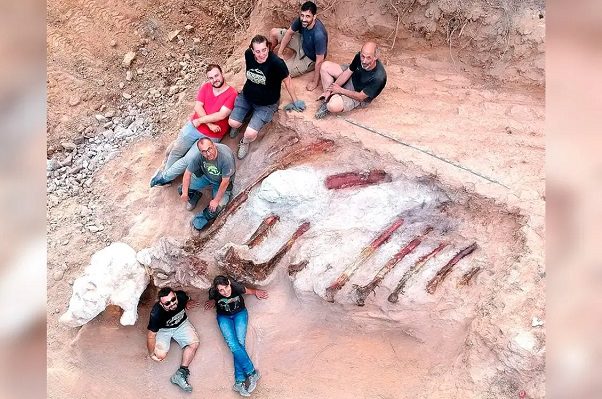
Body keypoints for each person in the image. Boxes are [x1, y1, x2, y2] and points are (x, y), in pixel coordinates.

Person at [150, 64, 238, 187]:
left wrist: (202, 121)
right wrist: (208, 123)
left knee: (188, 159)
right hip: (195, 126)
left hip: (211, 135)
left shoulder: (231, 93)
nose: (215, 80)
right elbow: (197, 106)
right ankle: (168, 177)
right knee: (176, 151)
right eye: (211, 77)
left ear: (222, 74)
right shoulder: (206, 87)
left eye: (216, 75)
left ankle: (164, 178)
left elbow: (221, 115)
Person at [228, 34, 305, 160]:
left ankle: (245, 142)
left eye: (264, 50)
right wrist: (243, 85)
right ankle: (244, 117)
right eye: (258, 51)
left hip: (266, 104)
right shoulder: (248, 54)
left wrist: (295, 100)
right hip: (247, 96)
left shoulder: (277, 63)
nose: (262, 54)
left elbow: (288, 80)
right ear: (252, 51)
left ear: (268, 47)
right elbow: (248, 71)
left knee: (250, 133)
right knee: (233, 123)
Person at [205, 275, 269, 397]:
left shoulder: (236, 287)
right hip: (224, 317)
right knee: (233, 344)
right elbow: (213, 299)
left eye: (226, 288)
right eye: (221, 290)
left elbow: (249, 291)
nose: (225, 292)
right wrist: (213, 301)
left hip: (240, 314)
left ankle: (239, 382)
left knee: (239, 343)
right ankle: (251, 373)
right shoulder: (213, 292)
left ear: (229, 283)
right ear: (217, 290)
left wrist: (257, 292)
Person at [147, 287, 200, 393]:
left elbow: (186, 298)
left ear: (175, 296)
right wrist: (151, 353)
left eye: (173, 299)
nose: (171, 303)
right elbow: (150, 336)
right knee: (159, 356)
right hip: (164, 330)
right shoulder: (156, 313)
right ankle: (157, 352)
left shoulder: (180, 296)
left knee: (194, 344)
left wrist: (187, 303)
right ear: (161, 304)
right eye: (167, 303)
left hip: (182, 324)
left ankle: (180, 374)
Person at [315, 41, 387, 119]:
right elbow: (348, 71)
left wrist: (340, 90)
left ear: (375, 57)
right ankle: (328, 96)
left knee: (332, 106)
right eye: (362, 56)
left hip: (358, 94)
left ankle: (330, 101)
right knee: (325, 66)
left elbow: (360, 97)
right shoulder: (359, 57)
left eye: (368, 57)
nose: (364, 61)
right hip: (353, 78)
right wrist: (329, 90)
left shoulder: (379, 77)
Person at [269, 1, 328, 91]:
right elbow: (289, 33)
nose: (304, 19)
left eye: (308, 16)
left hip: (309, 58)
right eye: (302, 15)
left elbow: (319, 61)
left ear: (314, 17)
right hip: (302, 41)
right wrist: (280, 53)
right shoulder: (302, 20)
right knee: (274, 32)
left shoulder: (319, 35)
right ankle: (269, 53)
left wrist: (315, 82)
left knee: (278, 71)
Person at [179, 138, 236, 230]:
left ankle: (197, 223)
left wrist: (216, 200)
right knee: (182, 189)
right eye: (204, 151)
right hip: (206, 177)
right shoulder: (199, 156)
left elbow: (225, 182)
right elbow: (187, 173)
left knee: (215, 209)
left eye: (209, 149)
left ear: (214, 145)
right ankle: (194, 197)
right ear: (201, 152)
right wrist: (185, 193)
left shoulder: (225, 157)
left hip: (221, 183)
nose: (208, 154)